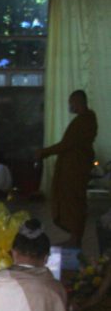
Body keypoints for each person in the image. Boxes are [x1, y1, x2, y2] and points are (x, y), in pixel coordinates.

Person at [37, 90, 98, 247]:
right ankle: (73, 236)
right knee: (70, 201)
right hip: (71, 167)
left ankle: (75, 238)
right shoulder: (82, 120)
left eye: (71, 103)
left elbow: (67, 144)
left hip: (76, 169)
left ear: (78, 102)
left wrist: (45, 152)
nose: (70, 106)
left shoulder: (86, 120)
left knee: (75, 202)